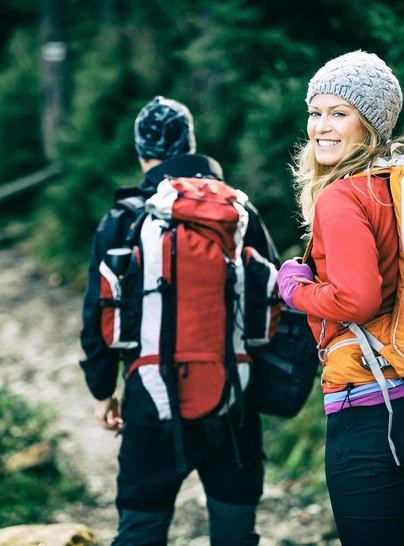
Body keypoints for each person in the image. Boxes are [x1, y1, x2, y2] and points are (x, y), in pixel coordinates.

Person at [276, 51, 404, 546]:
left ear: (370, 124)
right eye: (315, 111)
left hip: (376, 416)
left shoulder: (343, 196)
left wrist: (295, 289)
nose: (321, 126)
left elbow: (357, 300)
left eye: (339, 113)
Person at [80, 96, 279, 546]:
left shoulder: (125, 217)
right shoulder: (238, 213)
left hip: (151, 400)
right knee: (235, 534)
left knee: (140, 531)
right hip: (235, 400)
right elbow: (274, 299)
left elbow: (96, 315)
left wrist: (101, 391)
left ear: (141, 153)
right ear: (191, 144)